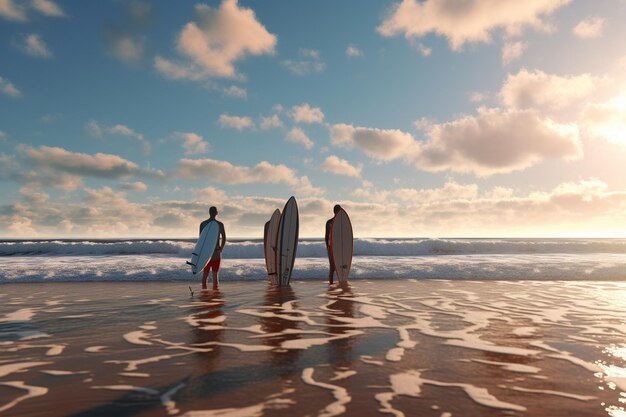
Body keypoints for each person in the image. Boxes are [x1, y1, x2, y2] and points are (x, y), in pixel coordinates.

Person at [199, 206, 226, 289]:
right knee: (215, 275)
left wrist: (201, 252)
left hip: (205, 253)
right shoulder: (220, 224)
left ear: (209, 212)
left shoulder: (203, 224)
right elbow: (224, 238)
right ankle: (215, 294)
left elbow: (201, 239)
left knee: (205, 274)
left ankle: (204, 292)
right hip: (216, 252)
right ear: (216, 213)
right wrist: (221, 249)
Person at [325, 204, 341, 284]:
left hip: (331, 247)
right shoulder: (331, 223)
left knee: (334, 267)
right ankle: (331, 283)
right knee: (333, 266)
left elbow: (326, 236)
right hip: (333, 247)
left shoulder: (329, 222)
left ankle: (331, 284)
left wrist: (327, 246)